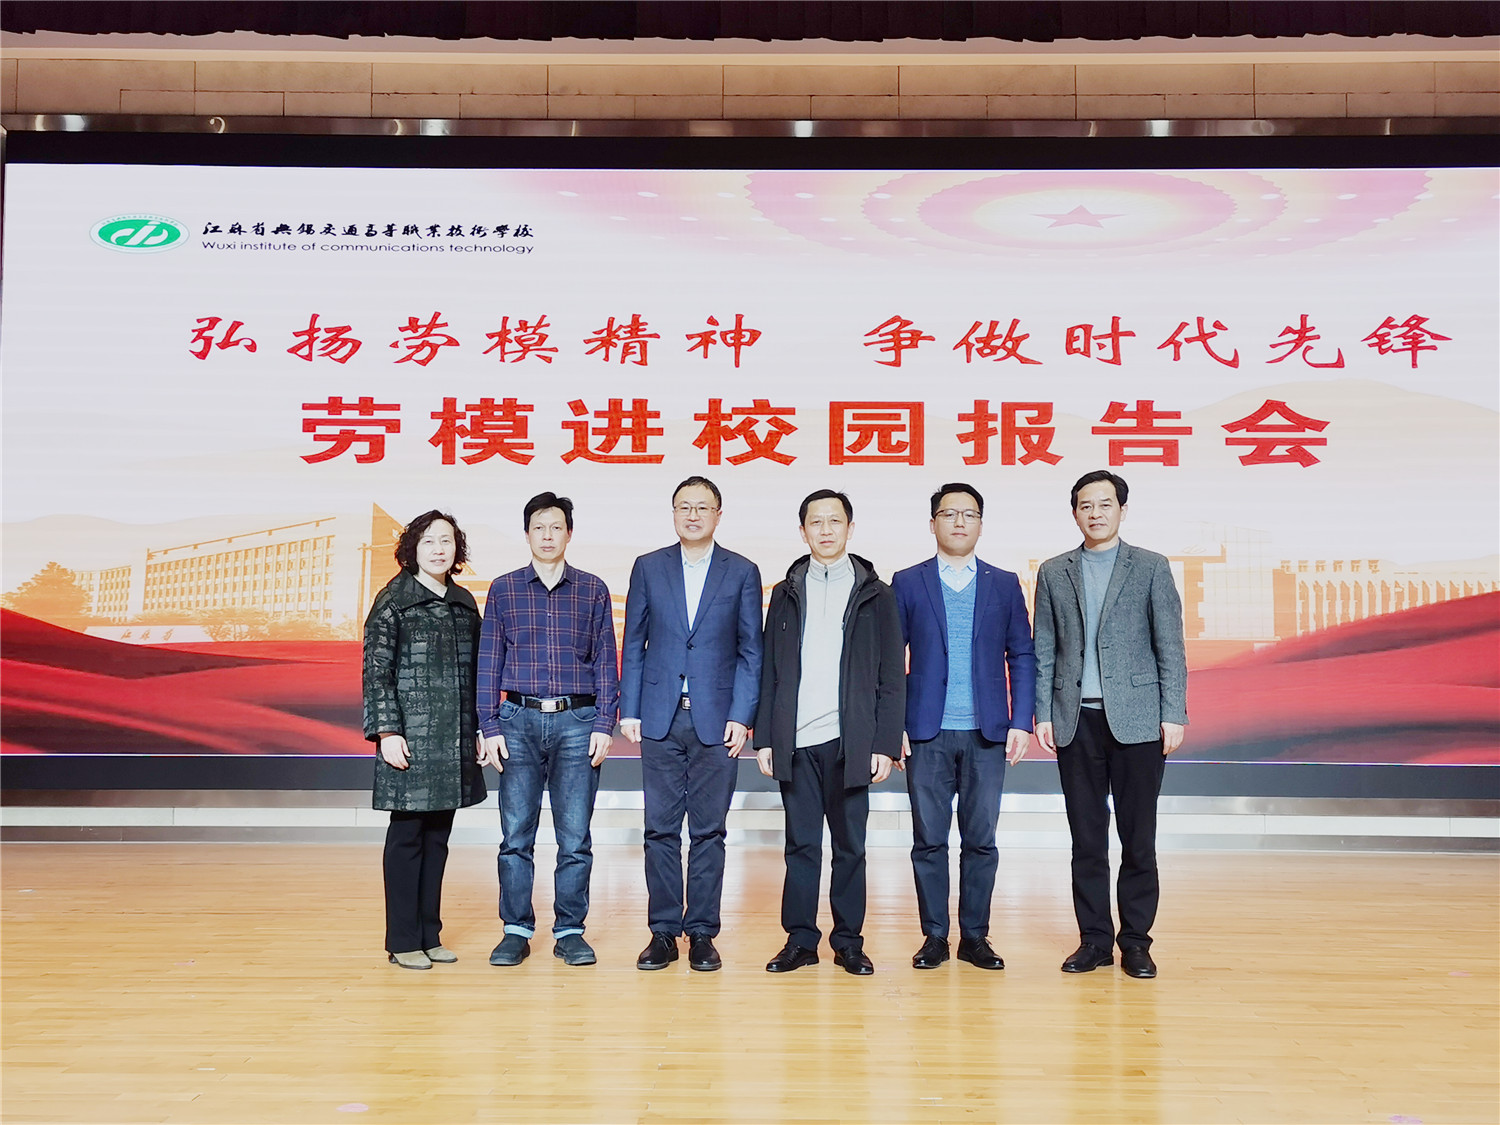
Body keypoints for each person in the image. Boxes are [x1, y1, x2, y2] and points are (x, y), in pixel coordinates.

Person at [1033, 470, 1187, 980]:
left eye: (1104, 504)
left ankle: (1136, 943)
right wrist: (1043, 712)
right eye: (1085, 505)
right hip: (1075, 719)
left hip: (1139, 720)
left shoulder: (1150, 566)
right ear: (1074, 513)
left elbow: (1170, 644)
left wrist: (1173, 712)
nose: (1095, 513)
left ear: (1122, 509)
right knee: (1087, 839)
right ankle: (1095, 941)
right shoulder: (1054, 571)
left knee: (1138, 838)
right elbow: (1045, 648)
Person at [754, 489, 905, 976]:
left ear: (850, 528)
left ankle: (848, 942)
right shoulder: (784, 592)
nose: (825, 530)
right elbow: (769, 669)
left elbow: (891, 675)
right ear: (802, 531)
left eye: (834, 521)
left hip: (850, 740)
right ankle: (800, 941)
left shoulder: (877, 594)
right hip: (795, 741)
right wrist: (765, 737)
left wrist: (884, 743)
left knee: (850, 848)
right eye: (815, 522)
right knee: (800, 847)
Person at [620, 477, 764, 972]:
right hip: (659, 718)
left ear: (719, 515)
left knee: (709, 831)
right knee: (659, 830)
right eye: (684, 506)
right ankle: (662, 932)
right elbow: (633, 641)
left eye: (703, 507)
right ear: (673, 513)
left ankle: (702, 932)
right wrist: (630, 709)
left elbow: (751, 651)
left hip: (717, 723)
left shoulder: (741, 571)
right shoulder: (648, 566)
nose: (693, 515)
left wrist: (742, 716)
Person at [891, 483, 1036, 971]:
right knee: (928, 840)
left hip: (986, 733)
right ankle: (934, 935)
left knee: (981, 841)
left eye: (968, 514)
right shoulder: (907, 582)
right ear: (932, 523)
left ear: (980, 524)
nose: (958, 522)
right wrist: (893, 726)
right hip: (926, 732)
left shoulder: (1004, 583)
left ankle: (975, 937)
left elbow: (1022, 654)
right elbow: (889, 660)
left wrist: (1021, 721)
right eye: (949, 513)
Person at [478, 492, 619, 968]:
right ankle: (515, 930)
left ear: (569, 534)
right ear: (527, 534)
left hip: (578, 722)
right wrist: (488, 725)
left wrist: (605, 722)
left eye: (556, 527)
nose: (547, 535)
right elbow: (489, 661)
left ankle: (570, 931)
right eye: (538, 527)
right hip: (516, 721)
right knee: (516, 835)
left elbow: (606, 660)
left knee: (574, 836)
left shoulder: (592, 589)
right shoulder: (504, 589)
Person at [363, 509, 487, 970]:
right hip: (410, 739)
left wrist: (479, 726)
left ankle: (429, 934)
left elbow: (477, 674)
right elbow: (376, 672)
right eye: (429, 541)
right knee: (407, 836)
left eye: (447, 541)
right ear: (412, 549)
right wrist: (387, 731)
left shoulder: (463, 602)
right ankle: (402, 940)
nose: (439, 549)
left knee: (438, 838)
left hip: (453, 739)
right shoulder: (393, 600)